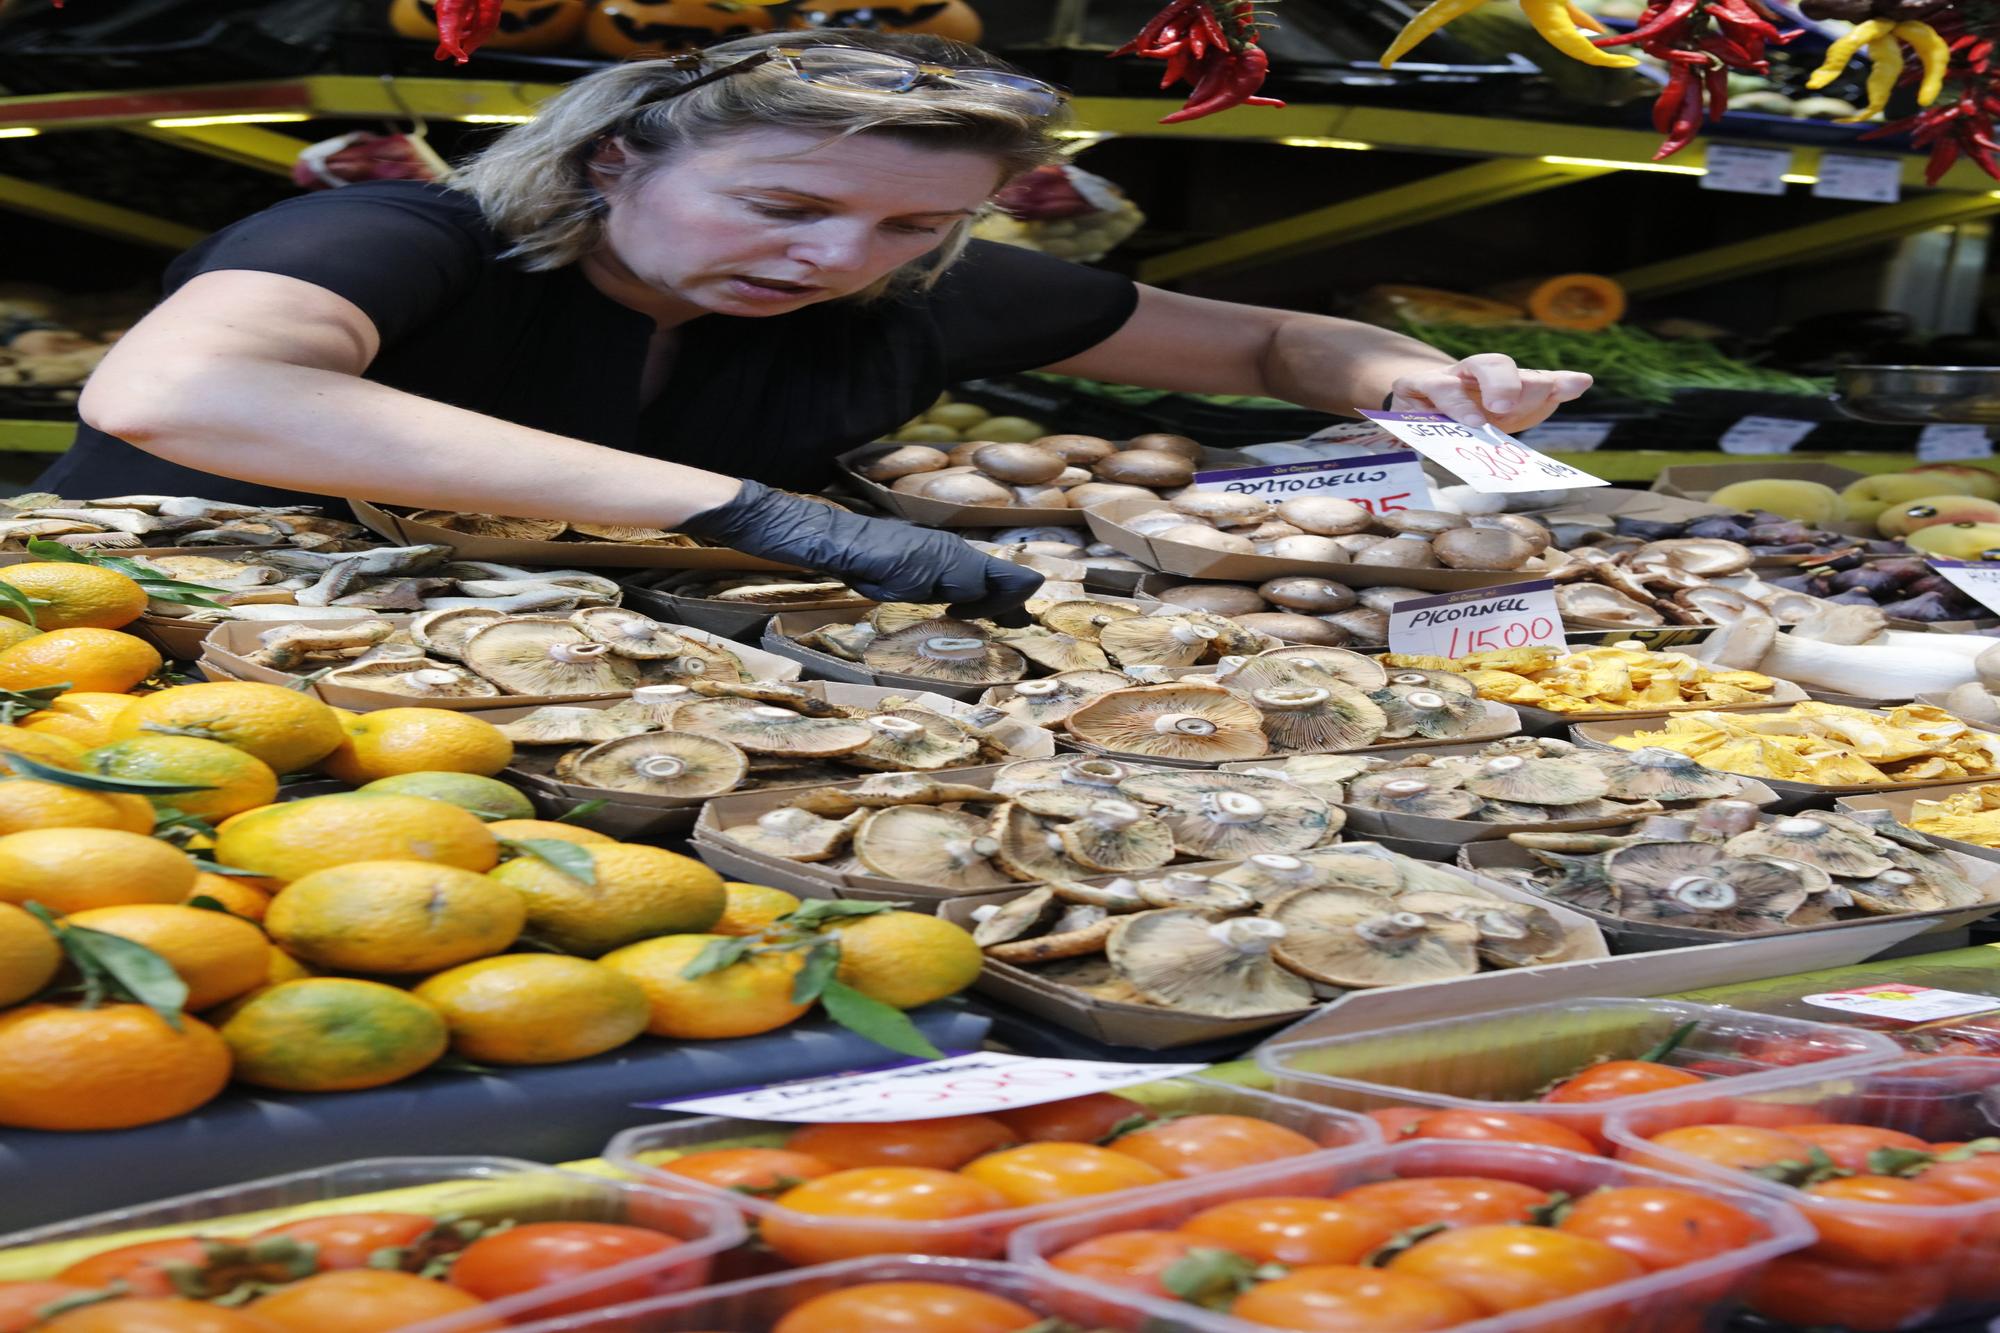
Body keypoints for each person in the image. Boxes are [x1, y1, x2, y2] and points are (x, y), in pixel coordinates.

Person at [64, 30, 1589, 616]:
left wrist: (1419, 382)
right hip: (170, 646)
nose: (835, 257)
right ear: (618, 161)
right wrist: (757, 514)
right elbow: (185, 394)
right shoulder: (402, 235)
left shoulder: (914, 289)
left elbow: (1267, 348)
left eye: (913, 225)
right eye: (783, 207)